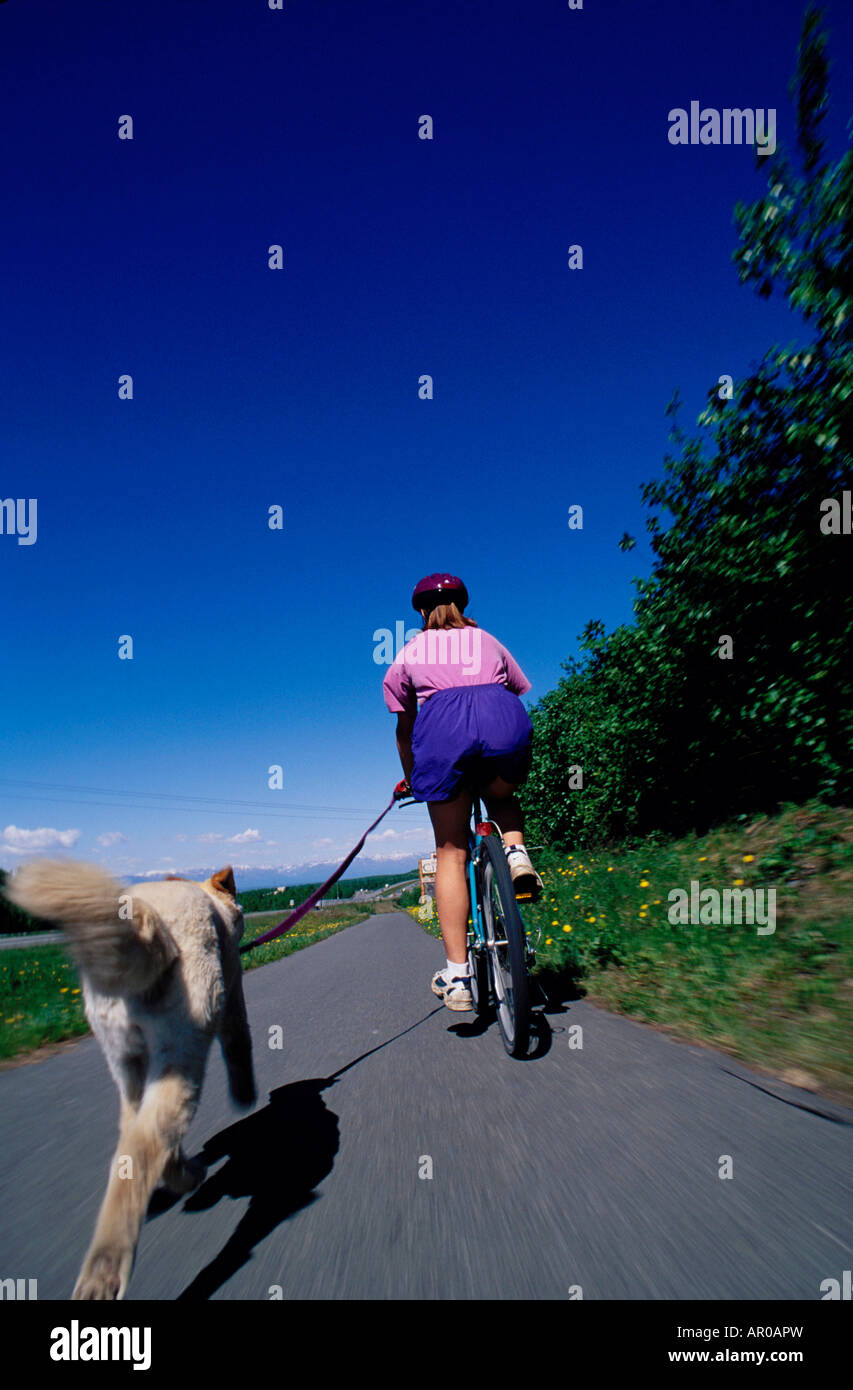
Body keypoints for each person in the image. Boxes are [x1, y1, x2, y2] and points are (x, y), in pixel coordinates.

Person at [382, 573, 543, 1012]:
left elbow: (404, 727)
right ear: (463, 604)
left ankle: (457, 976)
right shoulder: (489, 640)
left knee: (450, 850)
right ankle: (515, 854)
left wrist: (413, 776)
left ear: (420, 612)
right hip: (503, 723)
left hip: (442, 734)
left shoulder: (410, 651)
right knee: (502, 794)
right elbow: (513, 689)